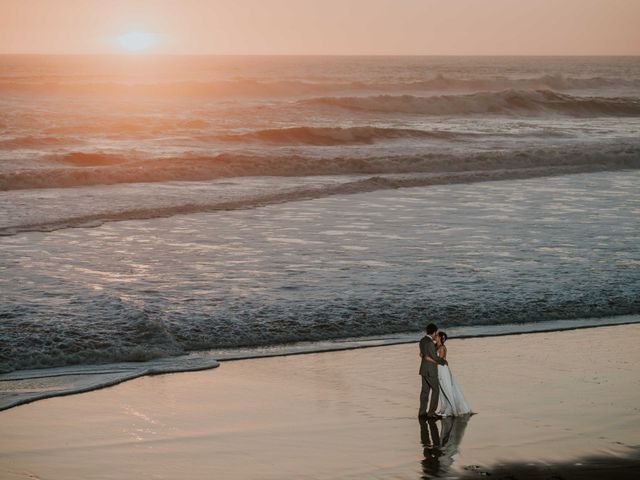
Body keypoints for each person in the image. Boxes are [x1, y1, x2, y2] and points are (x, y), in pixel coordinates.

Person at [435, 331, 472, 416]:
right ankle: (444, 408)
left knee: (447, 389)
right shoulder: (436, 347)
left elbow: (440, 361)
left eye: (437, 336)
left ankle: (454, 410)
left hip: (443, 370)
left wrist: (429, 360)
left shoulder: (442, 348)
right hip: (439, 369)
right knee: (441, 390)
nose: (435, 337)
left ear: (440, 338)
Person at [418, 323, 447, 417]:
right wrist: (443, 361)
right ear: (434, 332)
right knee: (435, 390)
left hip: (423, 369)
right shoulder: (430, 343)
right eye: (436, 333)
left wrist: (426, 357)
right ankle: (431, 413)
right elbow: (434, 357)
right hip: (431, 370)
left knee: (424, 391)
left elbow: (423, 354)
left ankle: (422, 412)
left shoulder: (422, 340)